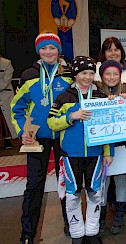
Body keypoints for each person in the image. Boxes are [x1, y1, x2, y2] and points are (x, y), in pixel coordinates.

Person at [10, 33, 72, 244]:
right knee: (34, 185)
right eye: (44, 48)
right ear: (38, 51)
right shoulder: (28, 75)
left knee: (66, 183)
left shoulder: (68, 73)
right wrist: (22, 133)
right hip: (37, 139)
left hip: (64, 136)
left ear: (58, 50)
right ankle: (28, 232)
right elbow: (16, 108)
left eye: (52, 48)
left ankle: (70, 223)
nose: (48, 52)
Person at [48, 56, 114, 244]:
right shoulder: (64, 97)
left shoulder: (101, 96)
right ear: (76, 74)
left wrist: (108, 151)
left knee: (95, 192)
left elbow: (109, 125)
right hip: (71, 154)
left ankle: (93, 233)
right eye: (84, 73)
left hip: (96, 153)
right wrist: (71, 116)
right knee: (73, 193)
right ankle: (76, 233)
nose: (87, 77)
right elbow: (51, 122)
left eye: (91, 73)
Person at [94, 60, 126, 236]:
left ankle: (119, 216)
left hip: (121, 145)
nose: (112, 77)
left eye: (115, 74)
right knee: (103, 182)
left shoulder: (125, 90)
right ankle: (100, 218)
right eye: (108, 74)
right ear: (101, 76)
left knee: (120, 181)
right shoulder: (94, 93)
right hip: (101, 146)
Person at [0, 56, 17, 149]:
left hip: (5, 96)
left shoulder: (6, 63)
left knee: (7, 120)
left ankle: (8, 141)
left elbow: (6, 81)